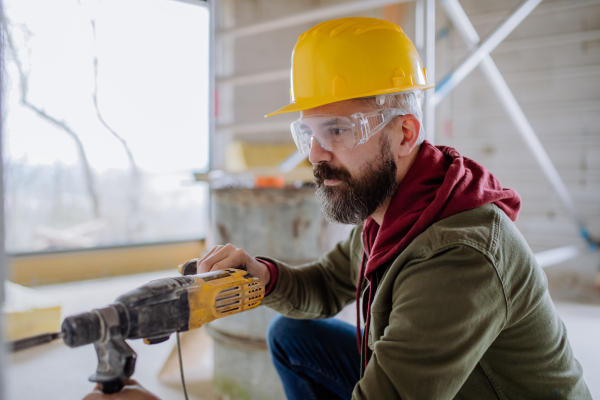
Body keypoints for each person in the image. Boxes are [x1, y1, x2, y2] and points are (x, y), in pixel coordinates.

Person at [83, 17, 591, 400]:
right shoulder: (392, 209)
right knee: (291, 336)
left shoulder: (459, 255)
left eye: (338, 131)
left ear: (404, 133)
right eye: (308, 132)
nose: (316, 155)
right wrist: (259, 276)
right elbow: (327, 285)